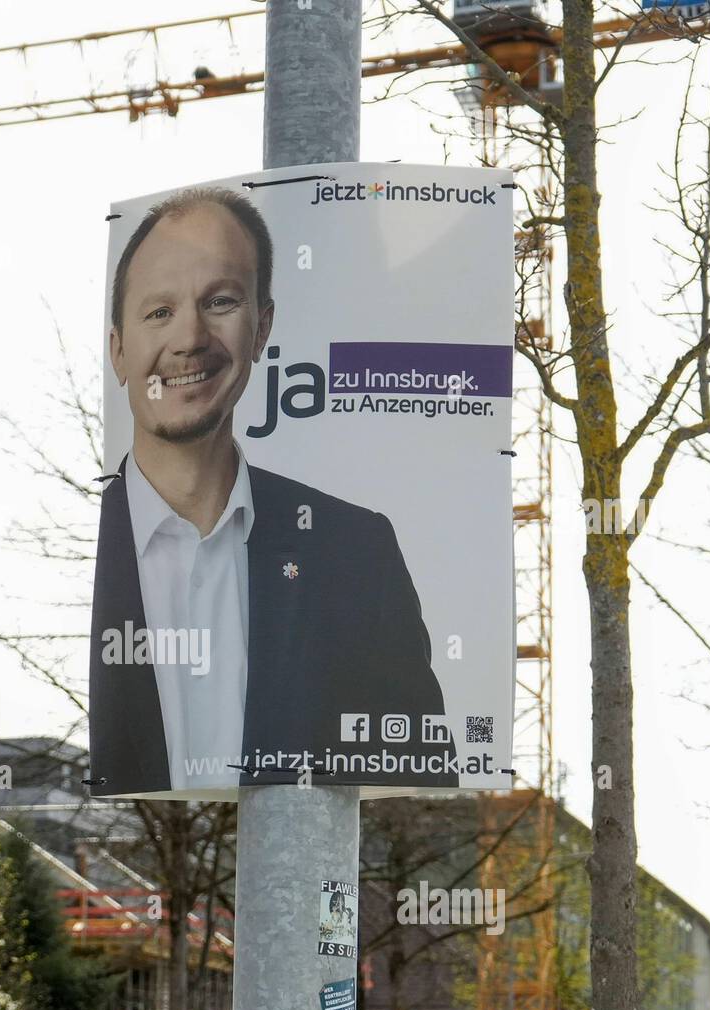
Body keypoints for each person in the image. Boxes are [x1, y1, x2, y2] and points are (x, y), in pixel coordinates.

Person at [89, 185, 456, 795]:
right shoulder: (77, 548)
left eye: (221, 301)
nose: (189, 338)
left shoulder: (355, 551)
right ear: (118, 350)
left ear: (261, 329)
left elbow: (421, 775)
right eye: (159, 312)